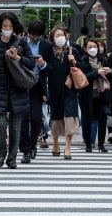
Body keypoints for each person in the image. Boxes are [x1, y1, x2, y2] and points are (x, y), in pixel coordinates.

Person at [0, 12, 35, 169]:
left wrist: (18, 57)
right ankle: (1, 153)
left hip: (17, 89)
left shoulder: (21, 43)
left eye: (10, 26)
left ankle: (12, 158)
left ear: (14, 27)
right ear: (0, 27)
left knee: (15, 127)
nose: (7, 29)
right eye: (4, 26)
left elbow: (31, 64)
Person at [47, 25, 85, 160]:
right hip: (54, 89)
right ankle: (56, 144)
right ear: (52, 38)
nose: (60, 38)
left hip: (70, 89)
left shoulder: (73, 50)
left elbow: (84, 67)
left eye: (61, 35)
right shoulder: (48, 52)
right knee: (56, 116)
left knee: (70, 115)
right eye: (57, 35)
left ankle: (68, 147)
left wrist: (74, 61)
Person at [19, 19, 51, 164]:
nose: (35, 37)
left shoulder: (46, 46)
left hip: (38, 85)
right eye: (33, 34)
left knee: (37, 118)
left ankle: (33, 145)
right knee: (24, 119)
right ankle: (25, 150)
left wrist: (43, 64)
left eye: (38, 35)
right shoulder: (21, 43)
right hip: (22, 85)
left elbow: (52, 68)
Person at [81, 38, 112, 153]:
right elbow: (83, 77)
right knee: (88, 120)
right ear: (85, 49)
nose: (93, 49)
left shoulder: (103, 60)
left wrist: (109, 71)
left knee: (102, 119)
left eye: (95, 46)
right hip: (87, 94)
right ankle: (88, 144)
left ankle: (101, 144)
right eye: (90, 47)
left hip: (101, 93)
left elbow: (109, 78)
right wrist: (97, 73)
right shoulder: (82, 61)